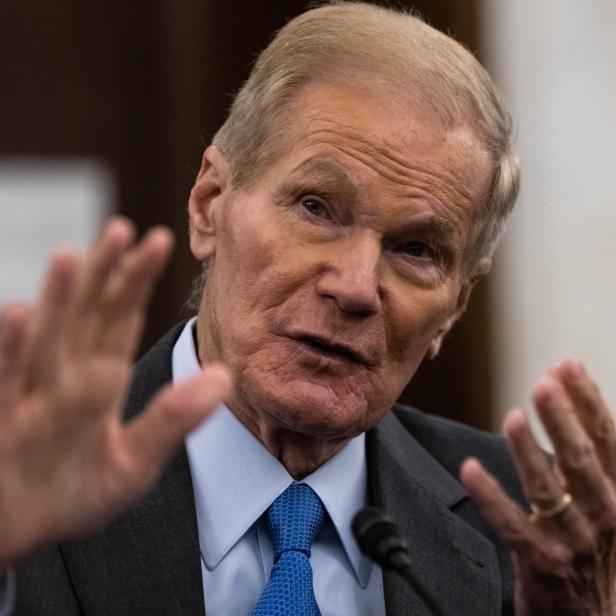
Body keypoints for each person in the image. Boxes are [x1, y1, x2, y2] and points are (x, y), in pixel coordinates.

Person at [2, 2, 616, 614]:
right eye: (316, 208)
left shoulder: (544, 539)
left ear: (455, 308)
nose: (354, 288)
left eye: (415, 249)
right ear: (210, 202)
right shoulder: (28, 486)